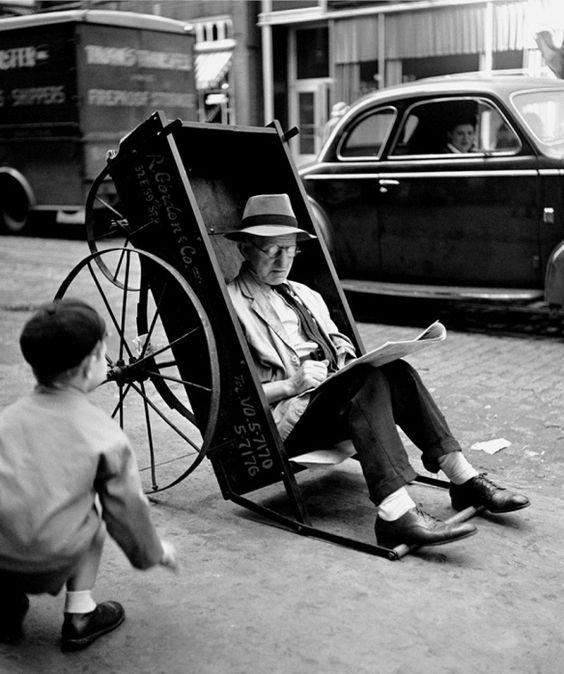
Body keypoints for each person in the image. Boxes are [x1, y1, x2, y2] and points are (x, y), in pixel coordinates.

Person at [225, 194, 530, 549]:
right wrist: (291, 384)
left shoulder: (307, 295)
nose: (282, 260)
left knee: (395, 370)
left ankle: (463, 479)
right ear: (245, 248)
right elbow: (236, 397)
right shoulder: (232, 303)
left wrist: (346, 358)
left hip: (331, 402)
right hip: (288, 419)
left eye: (289, 249)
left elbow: (342, 346)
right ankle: (395, 514)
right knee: (365, 379)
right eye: (270, 250)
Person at [0, 299, 178, 650]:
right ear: (89, 366)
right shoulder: (104, 435)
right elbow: (127, 511)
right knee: (92, 521)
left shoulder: (7, 419)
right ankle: (80, 615)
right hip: (53, 558)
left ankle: (4, 602)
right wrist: (153, 552)